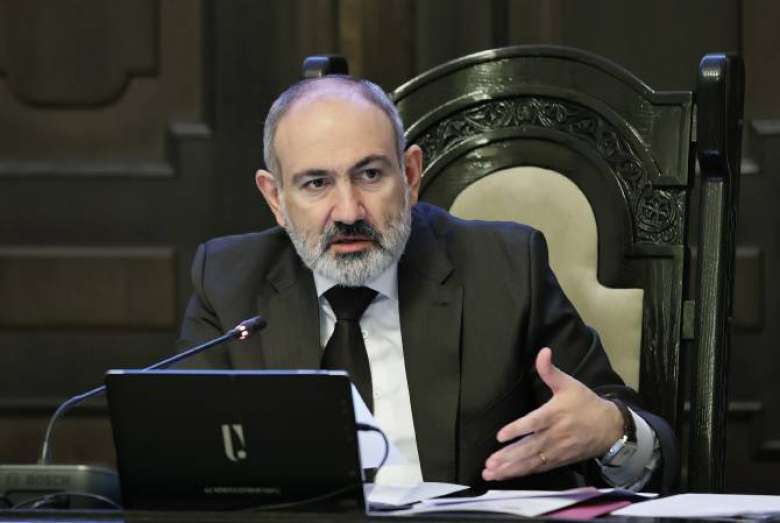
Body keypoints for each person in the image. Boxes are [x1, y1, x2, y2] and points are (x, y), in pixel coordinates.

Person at [177, 75, 678, 491]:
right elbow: (182, 461)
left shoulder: (504, 268)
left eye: (370, 175)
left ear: (411, 175)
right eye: (317, 183)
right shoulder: (228, 282)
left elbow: (647, 447)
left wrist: (612, 431)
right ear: (275, 198)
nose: (348, 211)